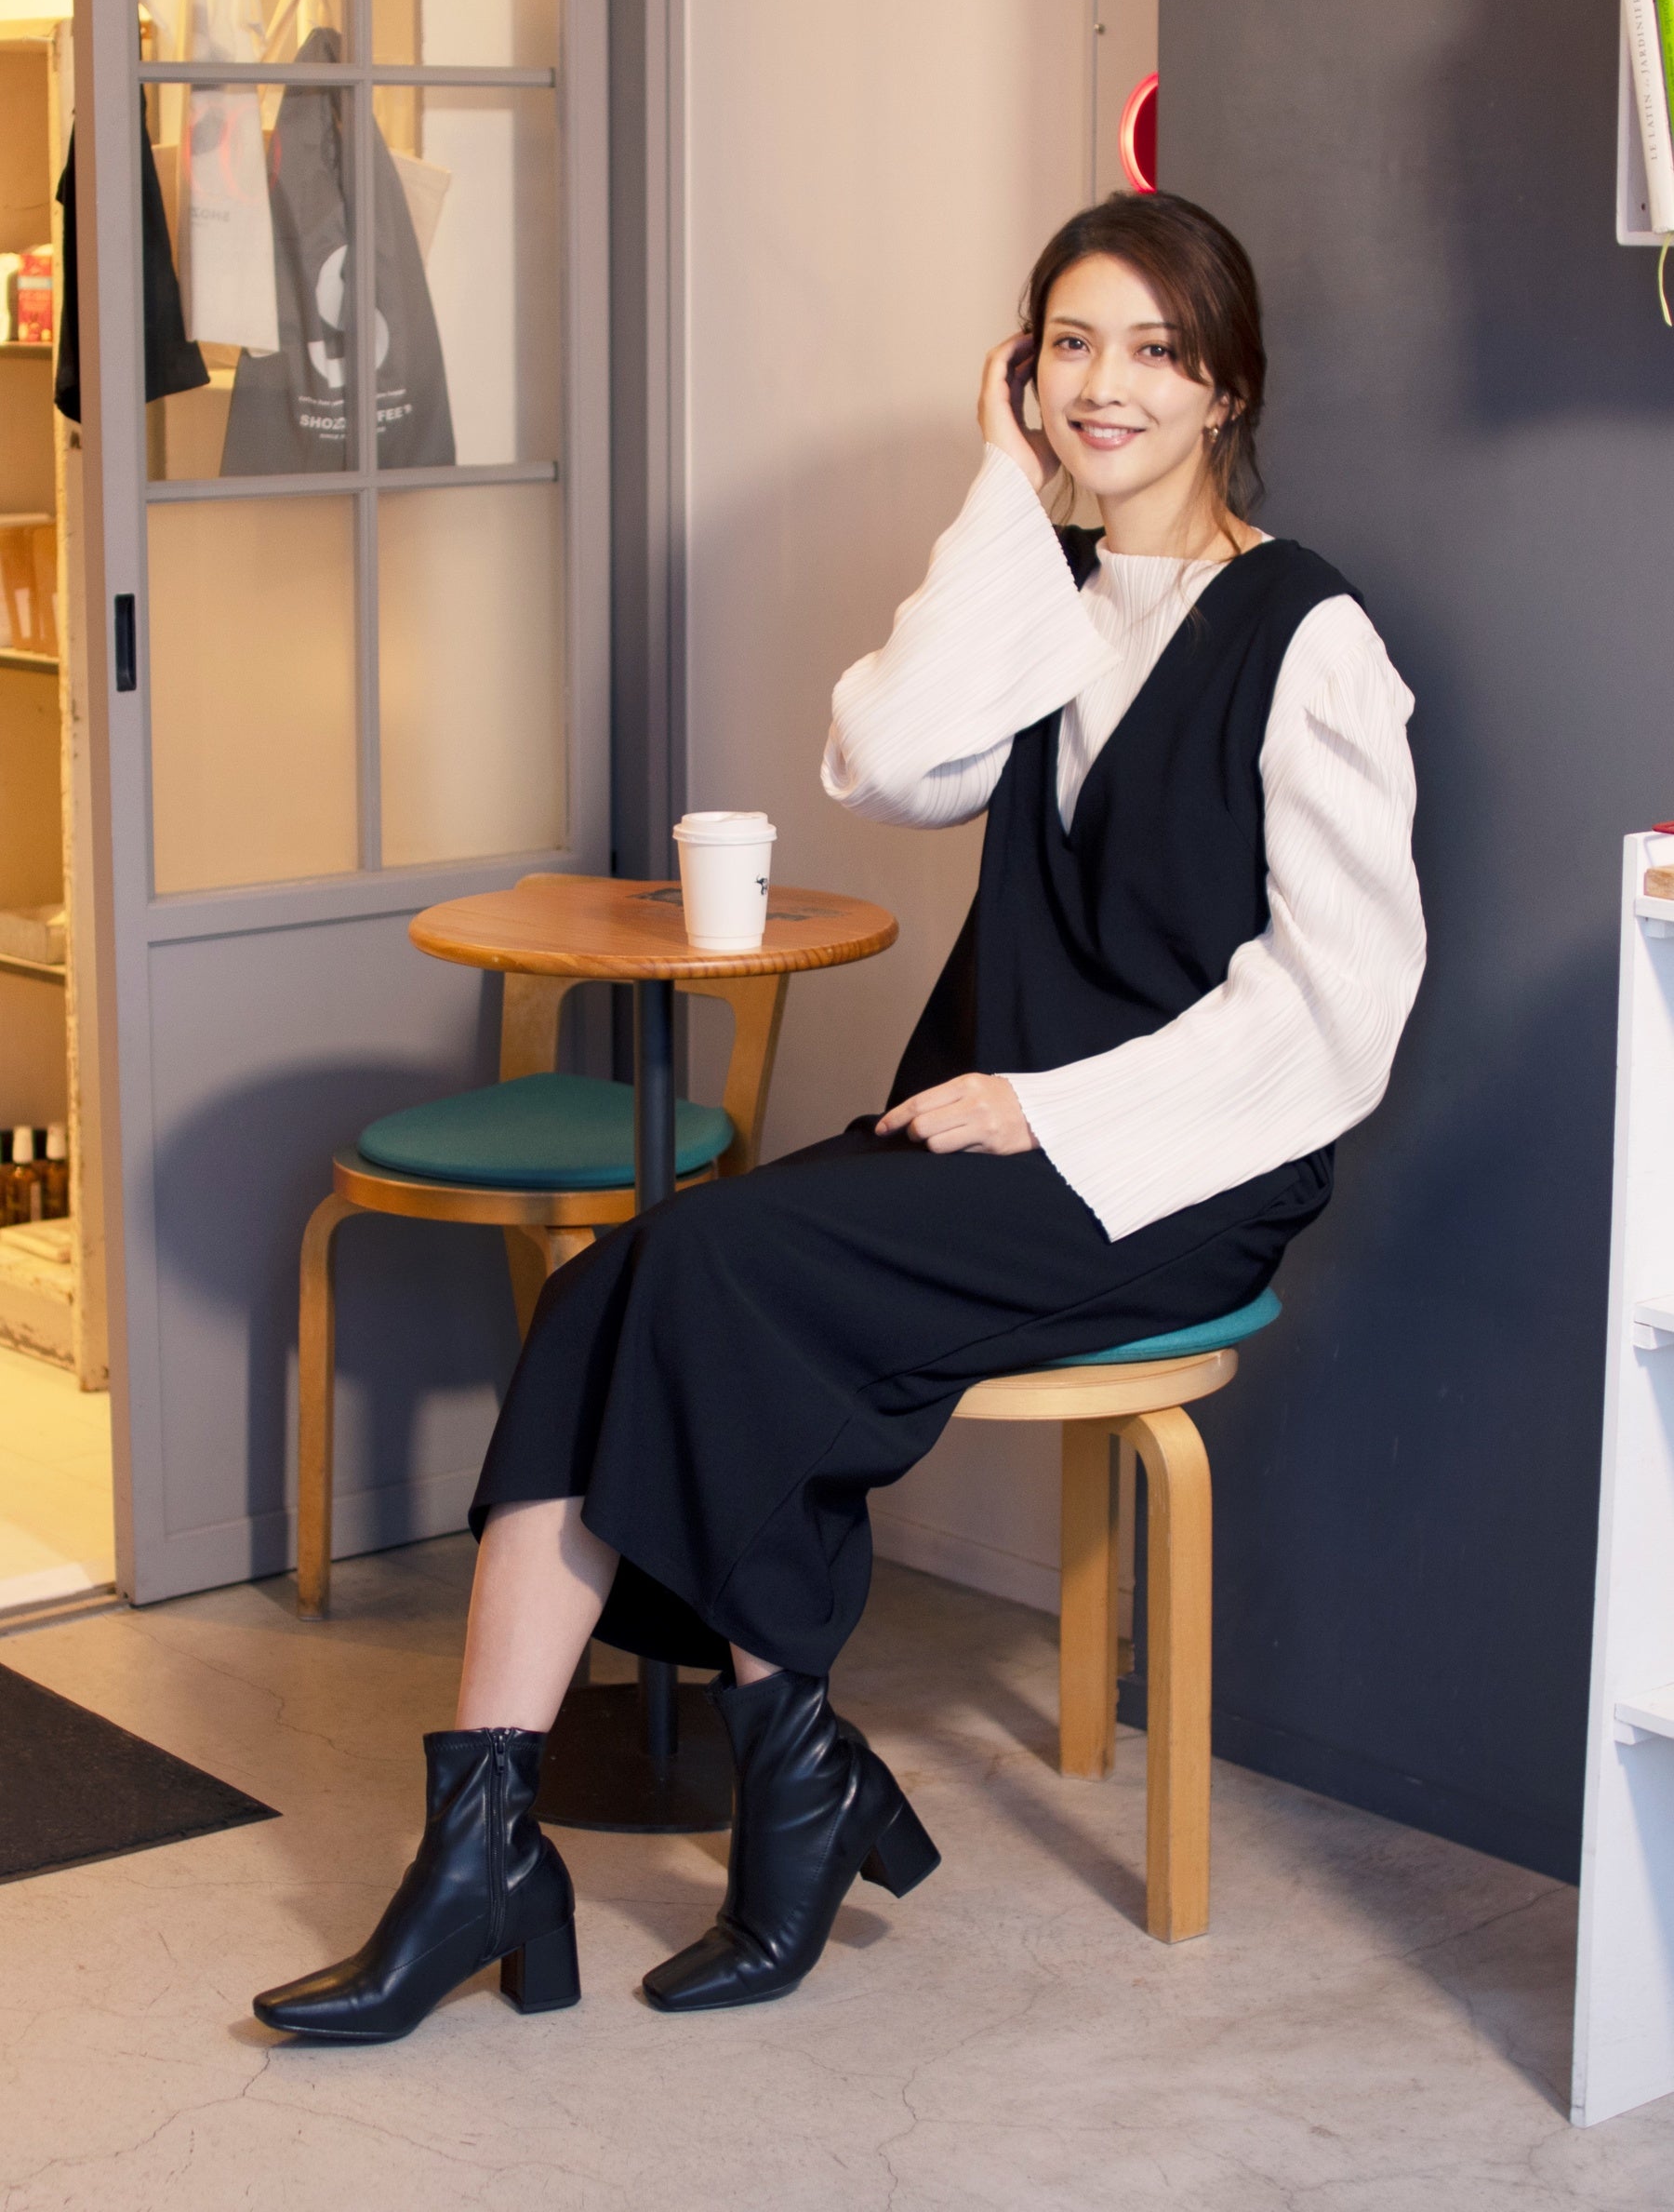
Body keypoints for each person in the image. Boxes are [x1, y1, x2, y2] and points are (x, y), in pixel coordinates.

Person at [253, 190, 1425, 2043]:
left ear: (1226, 386)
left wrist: (1050, 1112)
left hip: (1167, 1169)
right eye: (1067, 346)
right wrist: (1000, 491)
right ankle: (494, 1841)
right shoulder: (1051, 597)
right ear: (1021, 373)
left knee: (707, 1272)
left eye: (1152, 351)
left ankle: (782, 1790)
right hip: (985, 1140)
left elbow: (1343, 1006)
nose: (1104, 385)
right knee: (617, 1284)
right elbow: (884, 758)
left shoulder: (1312, 634)